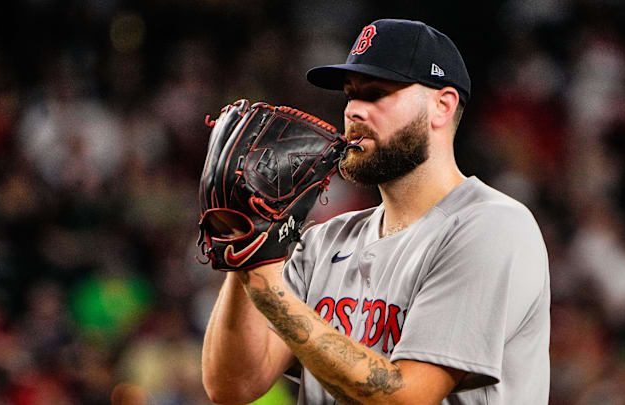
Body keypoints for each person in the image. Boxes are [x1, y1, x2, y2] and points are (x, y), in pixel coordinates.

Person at [201, 19, 550, 404]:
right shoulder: (323, 242)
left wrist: (268, 287)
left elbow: (407, 397)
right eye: (350, 95)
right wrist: (247, 244)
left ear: (442, 105)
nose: (353, 111)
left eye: (377, 93)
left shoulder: (492, 226)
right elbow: (232, 386)